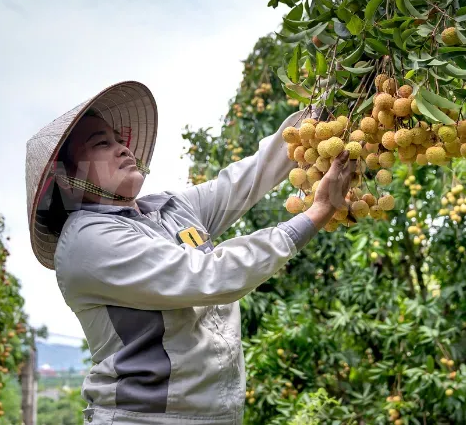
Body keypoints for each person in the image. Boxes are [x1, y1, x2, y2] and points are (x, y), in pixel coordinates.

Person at [24, 81, 355, 424]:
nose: (123, 149)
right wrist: (316, 213)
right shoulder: (88, 242)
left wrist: (325, 108)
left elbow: (246, 180)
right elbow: (211, 275)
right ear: (66, 179)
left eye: (118, 139)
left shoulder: (169, 209)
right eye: (101, 144)